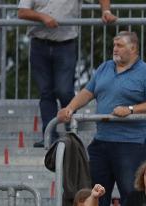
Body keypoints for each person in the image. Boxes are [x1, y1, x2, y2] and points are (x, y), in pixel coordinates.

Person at [57, 31, 146, 206]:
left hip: (132, 143)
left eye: (119, 45)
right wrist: (70, 108)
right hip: (102, 140)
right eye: (114, 45)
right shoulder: (105, 67)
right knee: (95, 193)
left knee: (130, 193)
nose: (115, 49)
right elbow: (88, 92)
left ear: (133, 48)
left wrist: (130, 109)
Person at [18, 0, 117, 147]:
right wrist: (42, 17)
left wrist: (106, 11)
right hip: (39, 44)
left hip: (65, 45)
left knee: (63, 90)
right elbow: (22, 12)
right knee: (46, 92)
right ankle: (49, 135)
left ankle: (72, 125)